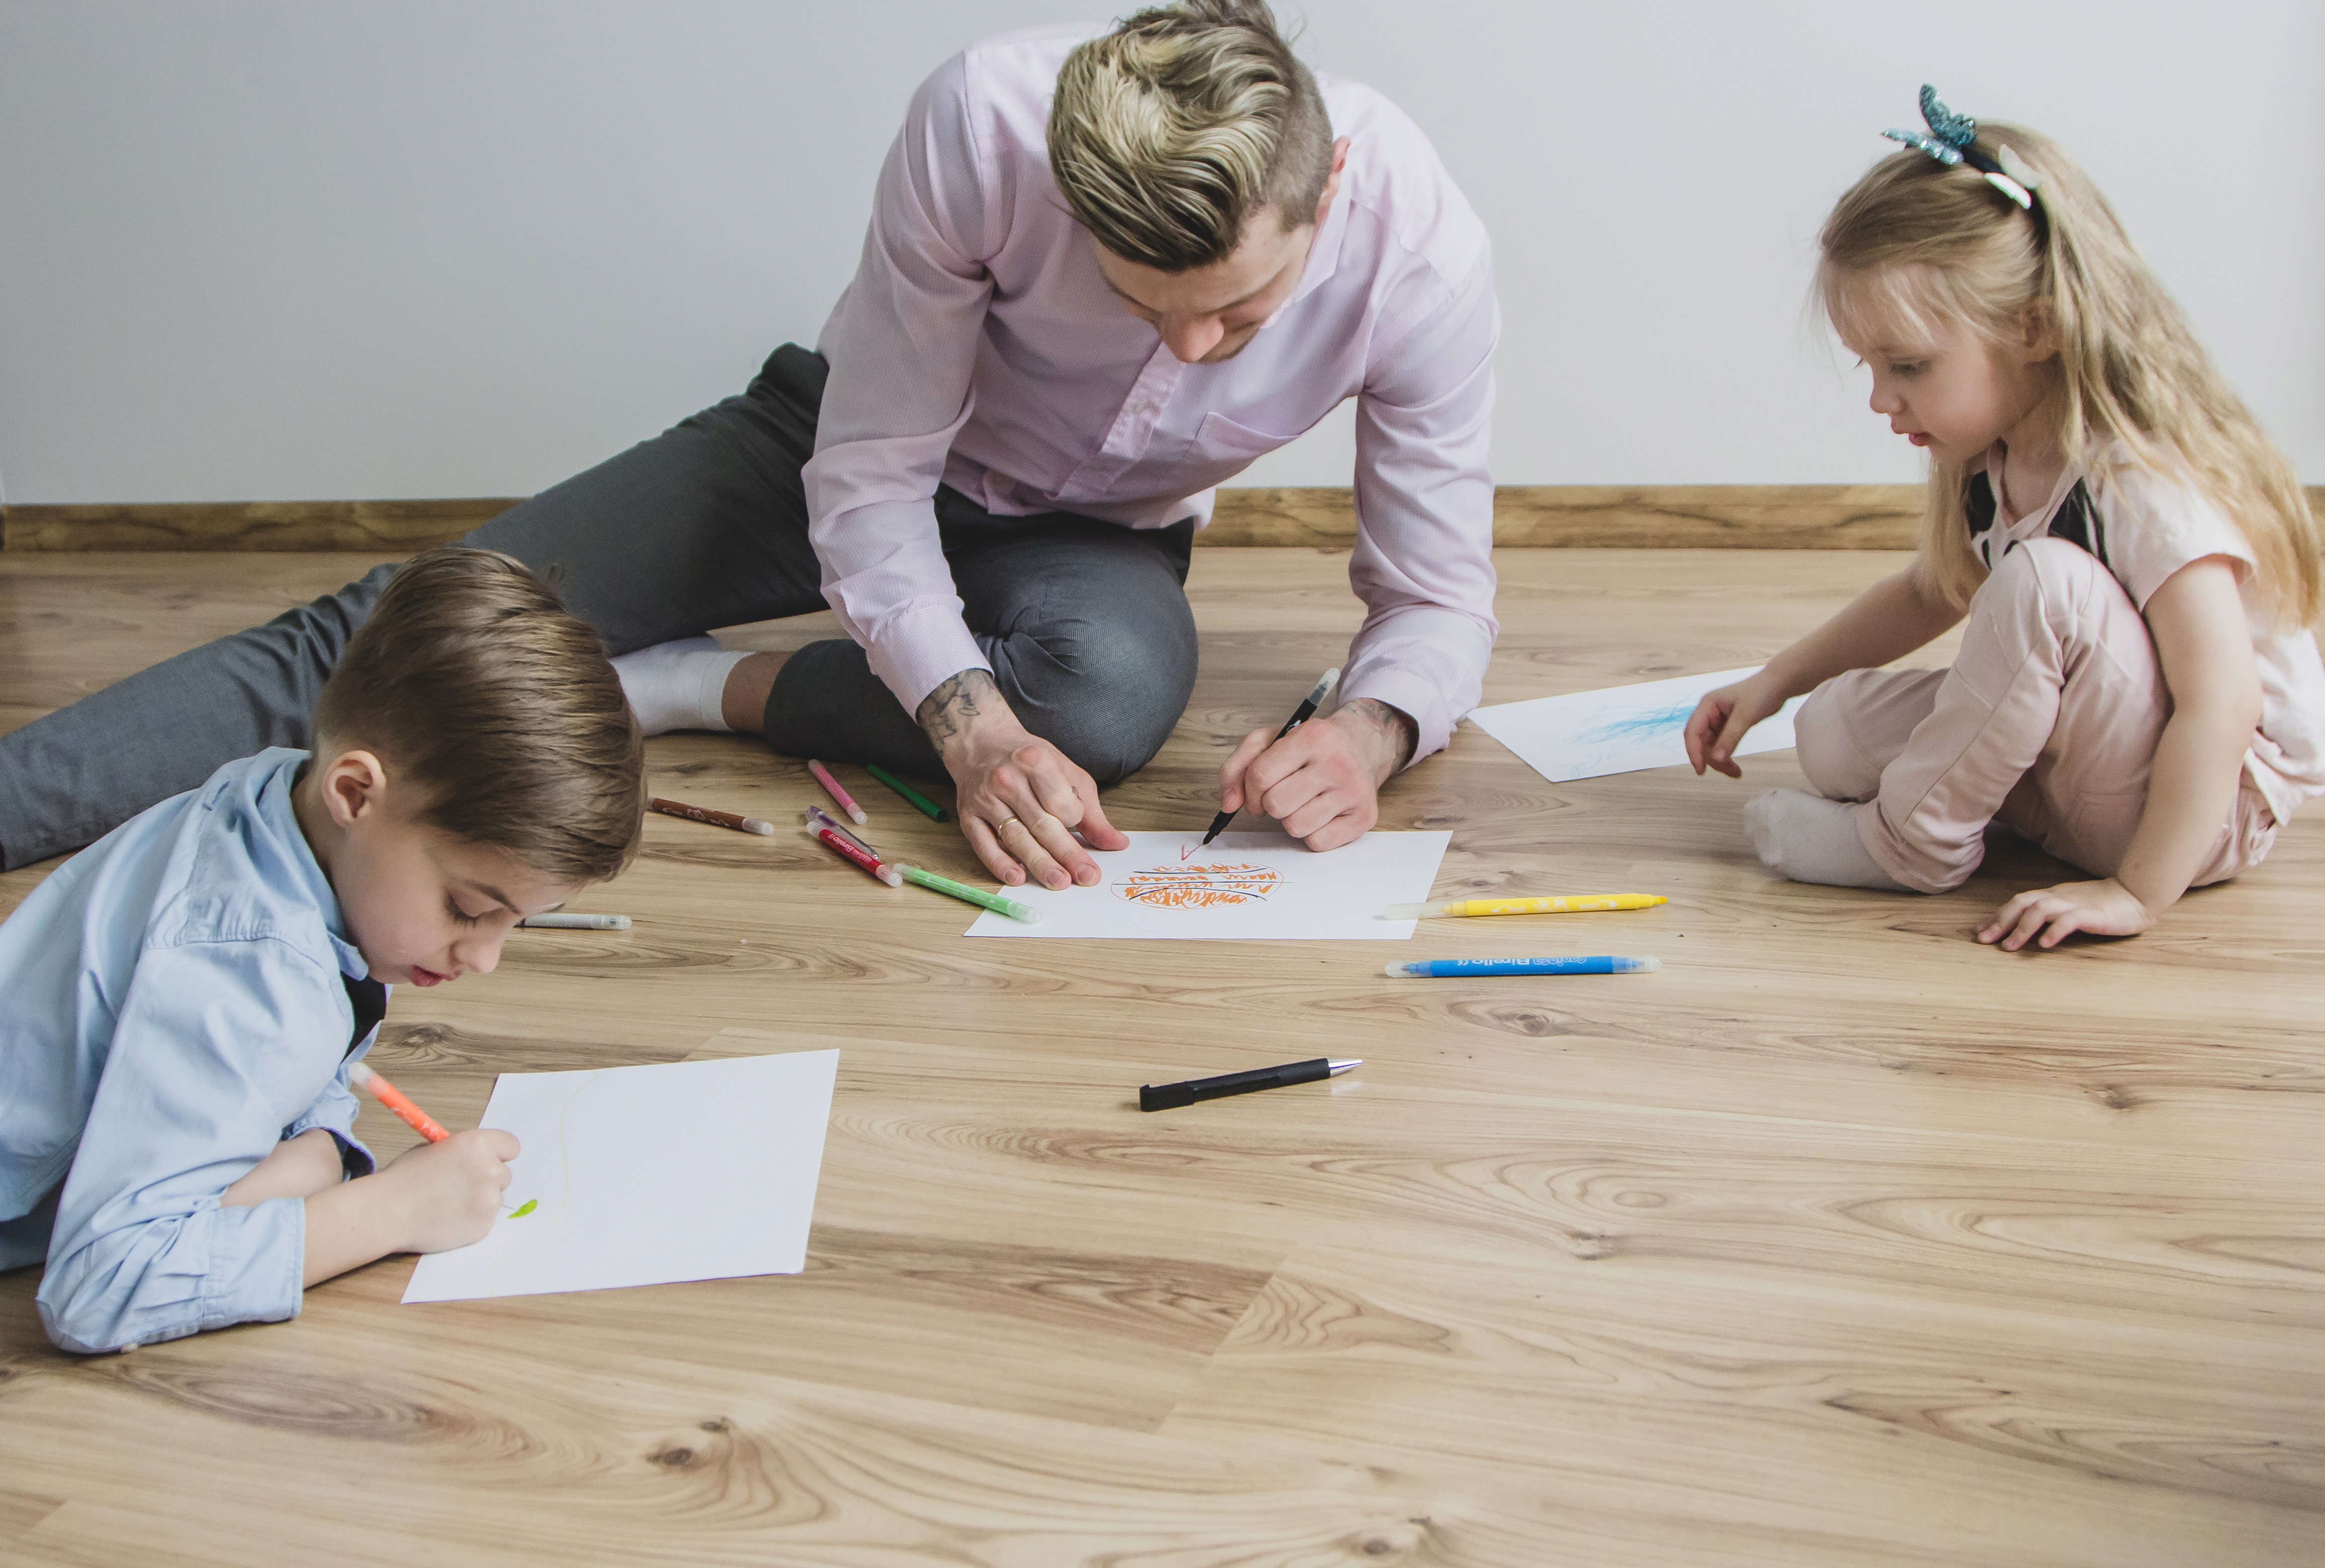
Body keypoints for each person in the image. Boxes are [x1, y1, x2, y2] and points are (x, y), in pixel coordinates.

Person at [0, 0, 1498, 897]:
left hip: (1093, 540)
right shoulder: (981, 123)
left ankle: (691, 683)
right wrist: (965, 734)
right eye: (1137, 303)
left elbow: (1436, 599)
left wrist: (1362, 738)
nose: (1186, 352)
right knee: (410, 636)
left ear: (1334, 185)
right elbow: (870, 472)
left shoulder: (1423, 255)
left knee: (1104, 700)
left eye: (1234, 317)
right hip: (828, 440)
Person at [1683, 88, 2325, 951]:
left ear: (2033, 328)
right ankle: (1968, 811)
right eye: (1869, 367)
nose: (1880, 399)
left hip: (2207, 806)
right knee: (1828, 732)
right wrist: (1778, 679)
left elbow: (2221, 700)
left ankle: (1909, 843)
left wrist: (2136, 892)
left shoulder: (2135, 477)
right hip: (2099, 763)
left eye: (1907, 365)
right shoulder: (1987, 451)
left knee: (2045, 584)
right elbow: (1931, 591)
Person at [0, 547, 644, 1353]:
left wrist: (318, 1149)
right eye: (470, 908)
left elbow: (300, 1077)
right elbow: (99, 1288)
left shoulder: (278, 804)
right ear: (355, 792)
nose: (484, 958)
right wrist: (389, 1210)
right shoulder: (250, 970)